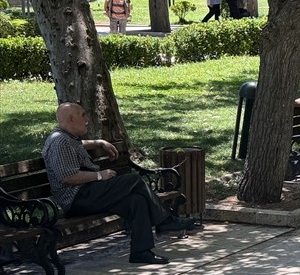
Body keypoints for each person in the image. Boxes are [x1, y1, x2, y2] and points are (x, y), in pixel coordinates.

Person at [42, 103, 198, 265]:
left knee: (136, 201)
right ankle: (165, 220)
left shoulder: (66, 138)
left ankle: (141, 252)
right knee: (134, 180)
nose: (87, 120)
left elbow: (78, 146)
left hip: (87, 194)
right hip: (77, 199)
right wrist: (99, 175)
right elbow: (67, 177)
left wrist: (99, 143)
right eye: (83, 115)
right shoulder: (59, 142)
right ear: (71, 119)